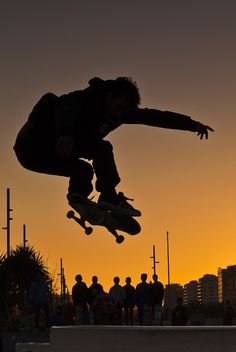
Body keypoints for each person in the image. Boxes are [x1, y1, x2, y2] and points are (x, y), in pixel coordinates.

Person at [14, 77, 213, 216]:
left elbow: (155, 116)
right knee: (102, 148)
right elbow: (65, 107)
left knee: (83, 170)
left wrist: (191, 125)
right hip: (34, 141)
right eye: (118, 108)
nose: (118, 115)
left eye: (124, 111)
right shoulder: (88, 98)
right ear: (109, 96)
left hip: (40, 157)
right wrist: (65, 133)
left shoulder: (122, 113)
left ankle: (78, 198)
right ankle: (108, 196)